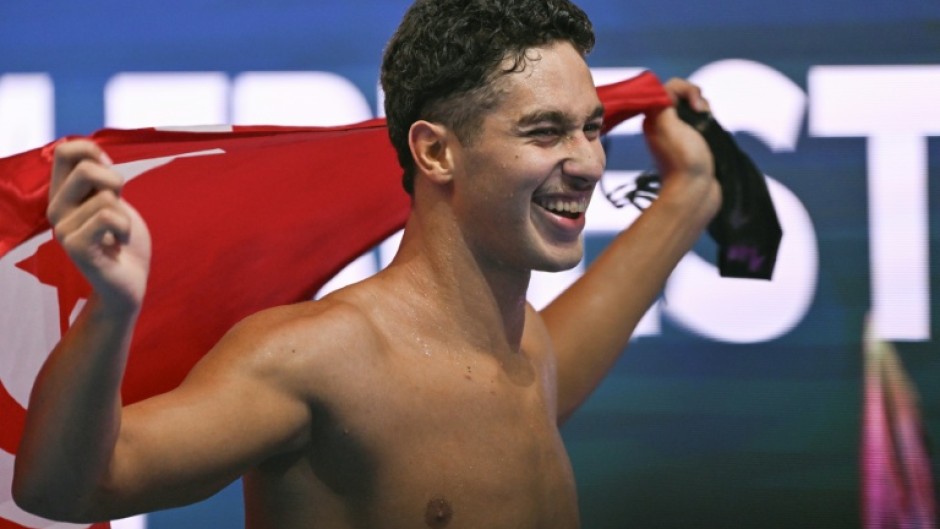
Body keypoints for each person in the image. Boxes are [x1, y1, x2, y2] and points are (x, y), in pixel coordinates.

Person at [12, 0, 719, 527]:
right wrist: (110, 311)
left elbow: (534, 383)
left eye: (593, 126)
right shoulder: (317, 356)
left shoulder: (520, 345)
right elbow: (71, 487)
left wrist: (687, 198)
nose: (592, 162)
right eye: (545, 131)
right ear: (436, 152)